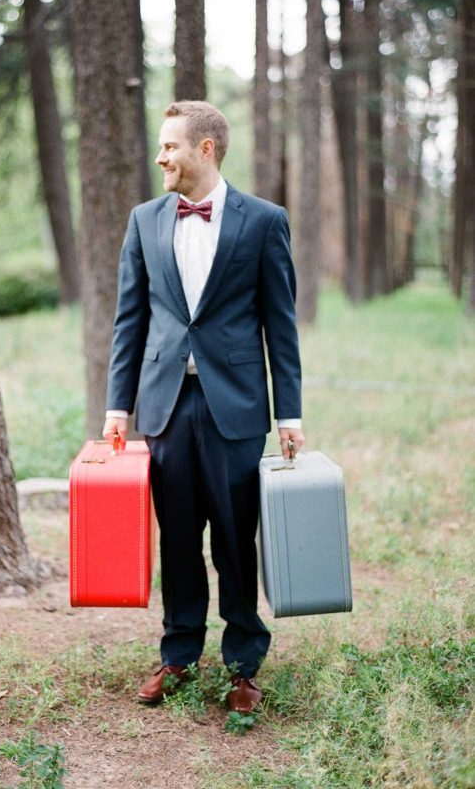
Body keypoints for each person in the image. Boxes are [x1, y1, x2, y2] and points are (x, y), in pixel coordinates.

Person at [102, 100, 304, 714]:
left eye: (170, 146)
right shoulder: (144, 220)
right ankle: (180, 653)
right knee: (180, 538)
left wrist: (288, 415)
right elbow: (129, 321)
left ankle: (244, 664)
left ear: (205, 149)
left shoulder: (265, 221)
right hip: (165, 407)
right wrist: (117, 406)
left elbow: (281, 325)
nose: (160, 156)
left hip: (236, 408)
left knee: (237, 540)